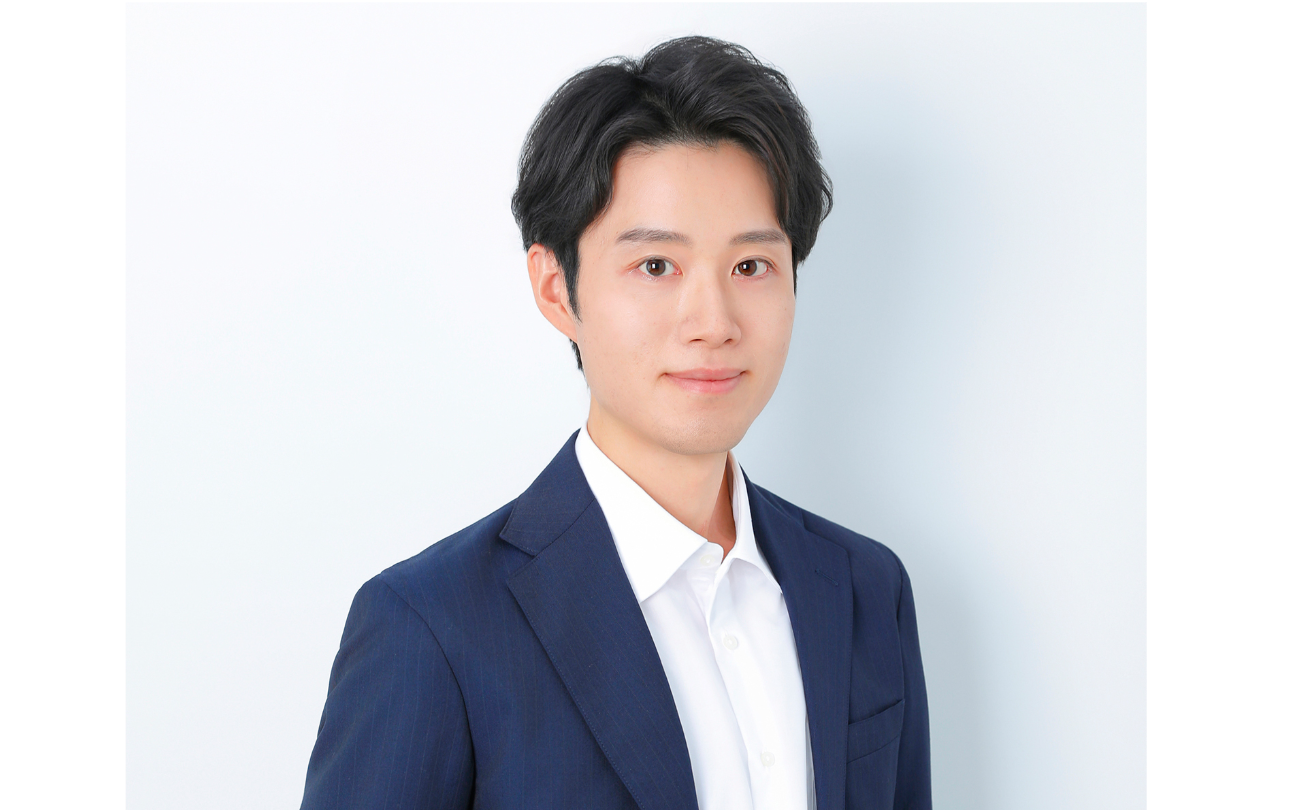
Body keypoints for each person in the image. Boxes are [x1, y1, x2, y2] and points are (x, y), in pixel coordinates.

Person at [301, 36, 930, 810]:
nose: (714, 322)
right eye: (656, 266)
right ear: (556, 289)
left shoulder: (866, 589)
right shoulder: (432, 626)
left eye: (751, 266)